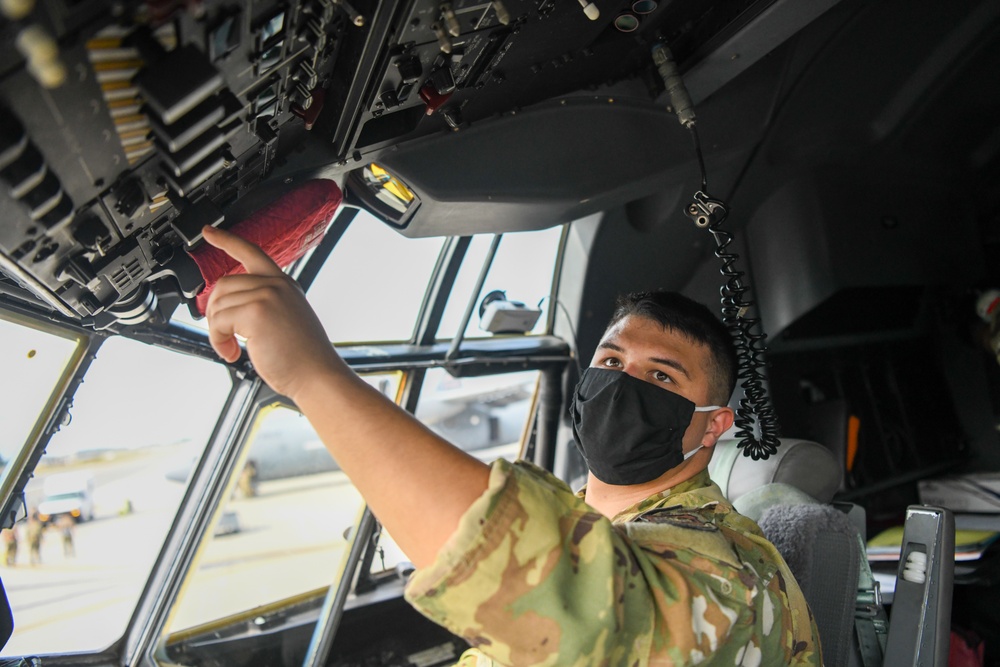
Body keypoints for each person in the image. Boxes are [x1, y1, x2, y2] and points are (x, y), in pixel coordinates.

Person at [200, 225, 822, 666]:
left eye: (662, 377)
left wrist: (314, 375)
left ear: (714, 426)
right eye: (611, 360)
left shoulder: (727, 568)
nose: (621, 386)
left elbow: (589, 618)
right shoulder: (592, 515)